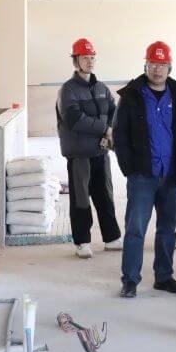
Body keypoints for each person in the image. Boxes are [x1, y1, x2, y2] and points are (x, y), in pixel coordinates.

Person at [111, 41, 176, 298]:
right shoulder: (132, 96)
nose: (157, 69)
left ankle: (163, 277)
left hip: (171, 175)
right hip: (142, 175)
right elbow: (119, 134)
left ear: (169, 67)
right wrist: (129, 169)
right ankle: (130, 280)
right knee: (136, 229)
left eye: (162, 64)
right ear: (146, 65)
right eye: (153, 63)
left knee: (167, 229)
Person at [56, 38, 123, 258]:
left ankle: (112, 238)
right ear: (76, 61)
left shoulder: (102, 88)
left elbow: (114, 112)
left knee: (105, 195)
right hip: (80, 155)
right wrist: (105, 129)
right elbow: (74, 119)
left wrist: (110, 130)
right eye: (85, 57)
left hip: (101, 153)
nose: (90, 61)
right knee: (81, 199)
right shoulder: (68, 90)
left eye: (92, 57)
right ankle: (82, 241)